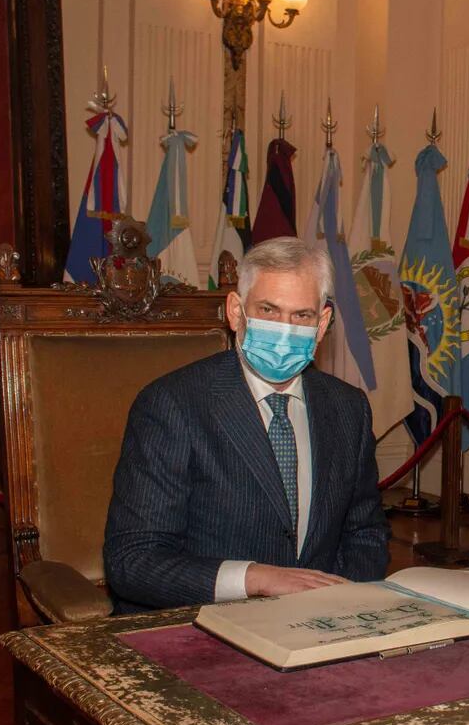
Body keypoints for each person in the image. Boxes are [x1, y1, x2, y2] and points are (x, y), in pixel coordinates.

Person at [104, 237, 390, 613]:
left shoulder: (348, 407)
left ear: (322, 323)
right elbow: (132, 561)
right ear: (236, 312)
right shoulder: (172, 405)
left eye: (301, 316)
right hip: (203, 628)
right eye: (268, 310)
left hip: (323, 625)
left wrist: (340, 603)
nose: (284, 330)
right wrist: (255, 579)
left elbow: (365, 534)